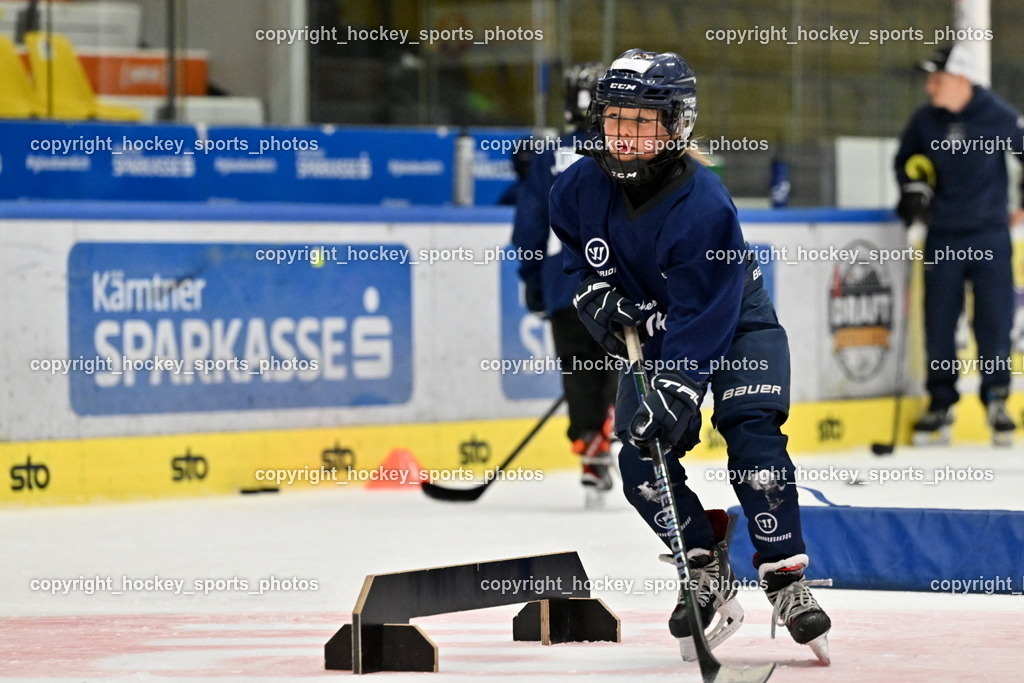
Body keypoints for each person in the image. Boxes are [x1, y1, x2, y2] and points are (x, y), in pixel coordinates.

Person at [549, 49, 832, 663]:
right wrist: (593, 293)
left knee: (752, 433)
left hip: (734, 323)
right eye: (615, 119)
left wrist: (675, 390)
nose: (624, 136)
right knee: (640, 463)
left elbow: (704, 318)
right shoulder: (575, 186)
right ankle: (705, 564)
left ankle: (785, 575)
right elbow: (576, 255)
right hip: (657, 333)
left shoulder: (702, 204)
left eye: (643, 121)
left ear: (677, 125)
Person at [894, 44, 1024, 447]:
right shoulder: (925, 120)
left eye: (938, 78)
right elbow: (907, 161)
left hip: (989, 235)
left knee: (994, 322)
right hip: (943, 236)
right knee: (939, 323)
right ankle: (940, 402)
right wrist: (914, 190)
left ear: (962, 79)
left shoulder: (998, 115)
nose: (930, 86)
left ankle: (996, 398)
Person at [511, 63, 619, 505]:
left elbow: (530, 227)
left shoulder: (547, 156)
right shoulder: (623, 151)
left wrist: (532, 281)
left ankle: (589, 441)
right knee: (618, 359)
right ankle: (613, 420)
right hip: (614, 284)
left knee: (577, 369)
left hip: (562, 285)